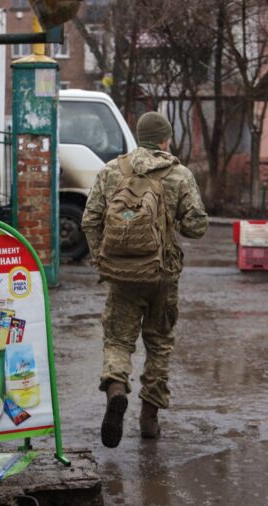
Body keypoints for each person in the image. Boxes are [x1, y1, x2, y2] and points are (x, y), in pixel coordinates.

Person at [81, 111, 208, 448]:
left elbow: (90, 220)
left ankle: (116, 389)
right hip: (162, 276)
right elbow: (197, 227)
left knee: (118, 340)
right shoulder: (179, 174)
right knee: (159, 343)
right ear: (166, 139)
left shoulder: (112, 171)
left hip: (122, 276)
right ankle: (149, 420)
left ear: (138, 136)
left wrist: (103, 260)